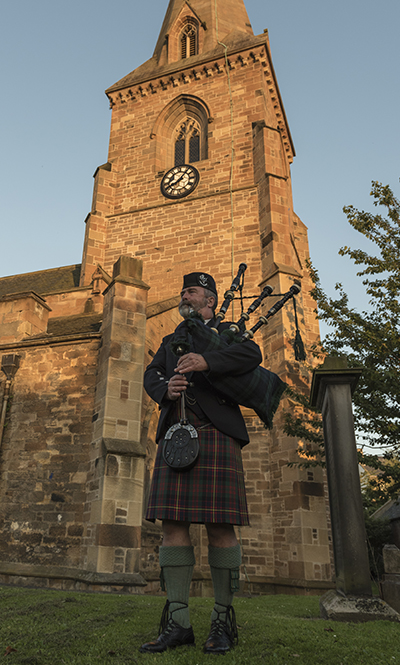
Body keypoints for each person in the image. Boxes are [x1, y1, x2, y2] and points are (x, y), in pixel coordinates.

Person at [140, 271, 262, 655]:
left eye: (190, 292)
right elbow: (151, 372)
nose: (184, 296)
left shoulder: (228, 332)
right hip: (177, 432)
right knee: (173, 526)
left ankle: (222, 622)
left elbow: (251, 355)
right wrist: (165, 388)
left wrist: (206, 361)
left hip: (215, 433)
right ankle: (177, 623)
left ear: (209, 299)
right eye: (183, 292)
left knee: (220, 527)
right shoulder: (171, 339)